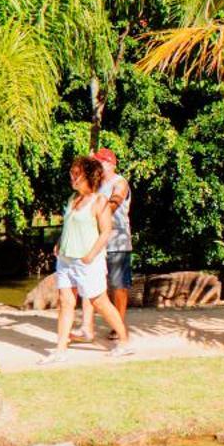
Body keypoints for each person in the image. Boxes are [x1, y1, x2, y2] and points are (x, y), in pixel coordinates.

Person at [43, 155, 132, 362]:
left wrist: (90, 255)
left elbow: (106, 232)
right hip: (66, 259)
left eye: (76, 174)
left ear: (88, 176)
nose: (72, 177)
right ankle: (60, 349)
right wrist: (59, 242)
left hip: (87, 261)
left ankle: (124, 340)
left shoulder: (99, 201)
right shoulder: (72, 200)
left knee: (100, 302)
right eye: (71, 173)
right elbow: (69, 226)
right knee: (65, 302)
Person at [79, 147, 133, 346]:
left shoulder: (120, 182)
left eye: (99, 162)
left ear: (109, 163)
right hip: (97, 241)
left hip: (118, 241)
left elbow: (114, 203)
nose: (97, 166)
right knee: (91, 283)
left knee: (118, 286)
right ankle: (87, 326)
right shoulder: (95, 184)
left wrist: (94, 213)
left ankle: (118, 325)